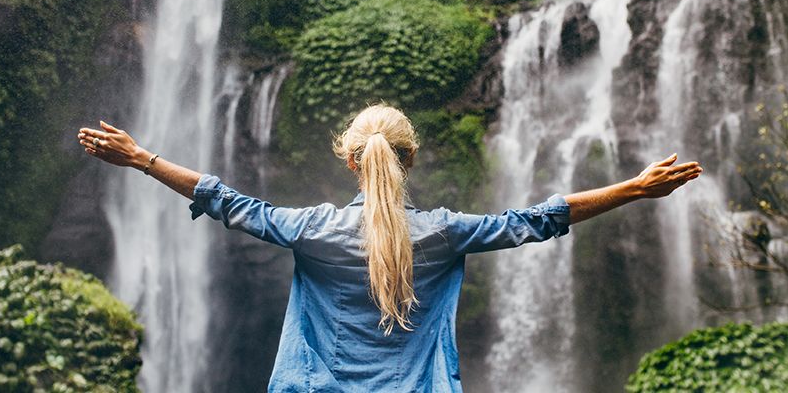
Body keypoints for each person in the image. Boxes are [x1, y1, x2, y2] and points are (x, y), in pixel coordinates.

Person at [77, 104, 702, 392]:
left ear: (350, 161)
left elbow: (227, 199)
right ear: (411, 159)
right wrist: (635, 189)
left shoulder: (311, 229)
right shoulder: (444, 233)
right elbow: (536, 220)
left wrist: (142, 159)